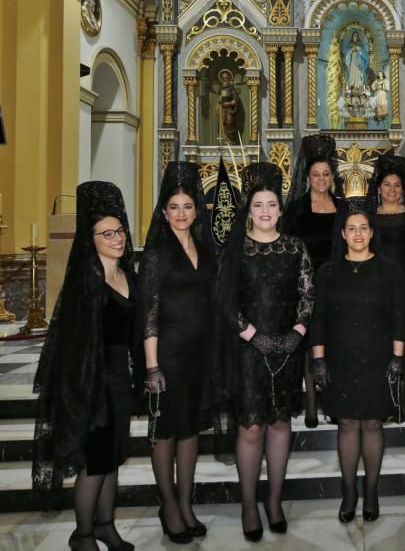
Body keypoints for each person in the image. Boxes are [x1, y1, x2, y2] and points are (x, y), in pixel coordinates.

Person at [32, 181, 139, 551]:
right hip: (91, 384)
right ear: (90, 238)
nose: (116, 238)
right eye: (106, 233)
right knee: (94, 463)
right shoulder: (86, 282)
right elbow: (74, 345)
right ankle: (83, 534)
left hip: (119, 380)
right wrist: (85, 393)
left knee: (113, 459)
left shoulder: (128, 274)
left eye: (120, 230)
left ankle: (106, 526)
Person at [218, 162, 314, 542]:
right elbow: (224, 302)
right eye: (258, 204)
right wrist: (252, 335)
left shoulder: (295, 247)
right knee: (252, 426)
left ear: (279, 208)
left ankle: (273, 502)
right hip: (248, 350)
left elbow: (308, 294)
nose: (265, 211)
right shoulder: (235, 250)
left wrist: (297, 332)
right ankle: (247, 505)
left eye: (271, 204)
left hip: (288, 348)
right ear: (249, 209)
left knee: (279, 423)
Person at [310, 203, 405, 523]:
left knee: (373, 423)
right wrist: (319, 362)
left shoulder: (389, 269)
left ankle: (373, 490)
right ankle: (349, 491)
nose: (358, 234)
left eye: (364, 228)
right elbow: (319, 319)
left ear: (372, 232)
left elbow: (399, 316)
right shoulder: (328, 272)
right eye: (351, 228)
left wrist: (397, 358)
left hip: (378, 358)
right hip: (340, 359)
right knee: (348, 423)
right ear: (342, 234)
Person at [139, 162, 216, 544]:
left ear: (196, 209)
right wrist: (152, 366)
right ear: (164, 211)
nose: (182, 213)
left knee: (190, 431)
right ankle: (168, 505)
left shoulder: (204, 247)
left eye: (188, 206)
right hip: (167, 355)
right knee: (166, 433)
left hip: (199, 354)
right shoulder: (156, 254)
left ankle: (186, 503)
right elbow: (149, 313)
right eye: (174, 207)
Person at [285, 134, 342, 428]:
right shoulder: (295, 210)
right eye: (315, 174)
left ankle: (331, 402)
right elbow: (289, 249)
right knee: (309, 346)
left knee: (331, 345)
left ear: (333, 176)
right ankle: (309, 406)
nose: (321, 179)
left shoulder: (343, 208)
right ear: (307, 176)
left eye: (326, 174)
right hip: (304, 287)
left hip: (336, 286)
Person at [365, 153, 405, 273]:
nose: (392, 190)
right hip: (376, 275)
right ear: (379, 188)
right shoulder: (369, 217)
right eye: (387, 184)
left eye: (397, 185)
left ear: (403, 189)